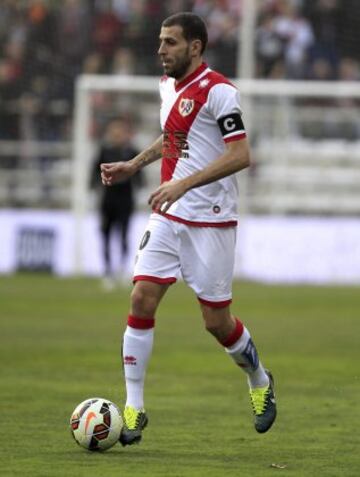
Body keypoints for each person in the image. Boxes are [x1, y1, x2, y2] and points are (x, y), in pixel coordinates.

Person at [101, 12, 277, 446]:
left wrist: (182, 182)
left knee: (217, 322)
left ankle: (259, 377)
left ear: (195, 47)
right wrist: (134, 164)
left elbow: (241, 155)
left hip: (211, 220)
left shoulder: (220, 92)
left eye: (171, 43)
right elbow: (173, 136)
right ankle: (134, 408)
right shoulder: (167, 87)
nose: (161, 49)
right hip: (168, 214)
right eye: (161, 41)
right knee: (141, 296)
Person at [91, 117, 143, 289]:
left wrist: (139, 187)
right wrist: (92, 187)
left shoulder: (131, 151)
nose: (117, 134)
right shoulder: (104, 151)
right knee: (105, 235)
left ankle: (121, 269)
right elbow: (94, 171)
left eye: (120, 131)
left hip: (125, 200)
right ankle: (107, 271)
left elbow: (139, 175)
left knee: (123, 235)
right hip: (108, 199)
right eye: (114, 131)